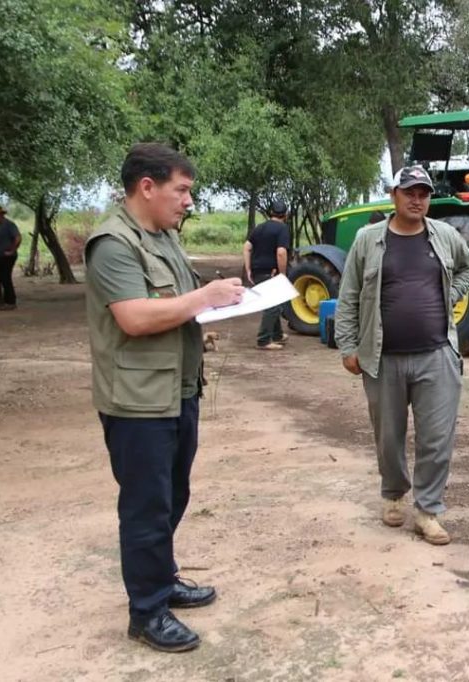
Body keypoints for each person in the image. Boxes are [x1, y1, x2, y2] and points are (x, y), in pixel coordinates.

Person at [85, 143, 245, 652]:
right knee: (146, 506)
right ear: (147, 187)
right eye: (182, 190)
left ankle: (162, 577)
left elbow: (172, 307)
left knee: (173, 495)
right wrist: (204, 298)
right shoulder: (113, 243)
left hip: (177, 389)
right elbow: (133, 317)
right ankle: (146, 612)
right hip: (137, 401)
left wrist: (203, 320)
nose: (188, 201)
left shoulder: (164, 238)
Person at [335, 165, 469, 545]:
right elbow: (349, 295)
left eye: (424, 193)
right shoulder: (369, 240)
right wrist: (348, 345)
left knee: (437, 438)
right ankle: (394, 494)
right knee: (389, 435)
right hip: (383, 358)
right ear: (393, 194)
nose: (417, 199)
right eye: (410, 192)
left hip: (437, 355)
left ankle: (428, 510)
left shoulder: (444, 235)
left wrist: (450, 295)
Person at [243, 199, 291, 350]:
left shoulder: (260, 228)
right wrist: (283, 275)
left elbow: (247, 247)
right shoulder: (282, 229)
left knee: (273, 302)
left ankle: (277, 335)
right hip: (271, 272)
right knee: (273, 307)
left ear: (271, 213)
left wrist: (248, 268)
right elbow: (281, 252)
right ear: (286, 215)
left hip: (258, 272)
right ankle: (263, 340)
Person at [0, 203, 21, 310]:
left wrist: (12, 250)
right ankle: (0, 301)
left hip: (7, 257)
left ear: (2, 214)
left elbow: (18, 238)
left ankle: (11, 302)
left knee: (5, 278)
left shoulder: (8, 224)